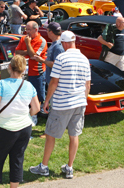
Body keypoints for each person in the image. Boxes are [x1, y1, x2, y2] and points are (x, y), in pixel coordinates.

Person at [29, 30, 91, 179]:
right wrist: (84, 100)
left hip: (62, 103)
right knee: (74, 135)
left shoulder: (61, 59)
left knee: (50, 134)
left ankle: (43, 166)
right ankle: (69, 167)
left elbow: (53, 82)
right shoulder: (84, 59)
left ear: (64, 43)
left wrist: (47, 100)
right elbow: (87, 85)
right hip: (79, 103)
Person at [0, 55, 40, 188]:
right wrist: (27, 114)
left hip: (5, 128)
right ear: (24, 70)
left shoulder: (1, 84)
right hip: (24, 128)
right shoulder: (29, 85)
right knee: (17, 160)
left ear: (9, 67)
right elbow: (36, 108)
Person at [15, 21, 47, 123]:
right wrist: (28, 51)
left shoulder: (41, 41)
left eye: (29, 29)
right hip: (24, 72)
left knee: (37, 96)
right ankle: (27, 113)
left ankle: (35, 116)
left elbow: (34, 56)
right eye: (26, 29)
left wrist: (28, 45)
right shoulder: (23, 38)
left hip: (36, 72)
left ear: (35, 30)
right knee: (25, 95)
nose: (26, 32)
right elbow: (17, 52)